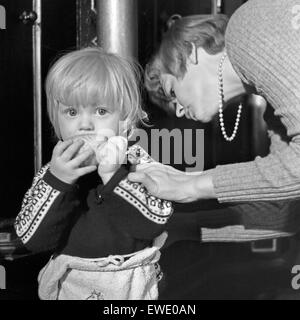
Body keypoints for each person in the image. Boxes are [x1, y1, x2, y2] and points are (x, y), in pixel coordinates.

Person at [14, 47, 173, 300]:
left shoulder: (138, 162)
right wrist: (59, 180)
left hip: (131, 284)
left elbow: (153, 223)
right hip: (72, 283)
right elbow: (31, 238)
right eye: (72, 112)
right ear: (57, 121)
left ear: (125, 119)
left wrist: (113, 175)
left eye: (101, 111)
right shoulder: (54, 171)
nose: (85, 124)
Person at [128, 0, 300, 207]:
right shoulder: (270, 107)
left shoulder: (247, 28)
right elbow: (282, 213)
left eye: (171, 91)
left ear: (190, 52)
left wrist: (193, 186)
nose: (180, 111)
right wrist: (179, 226)